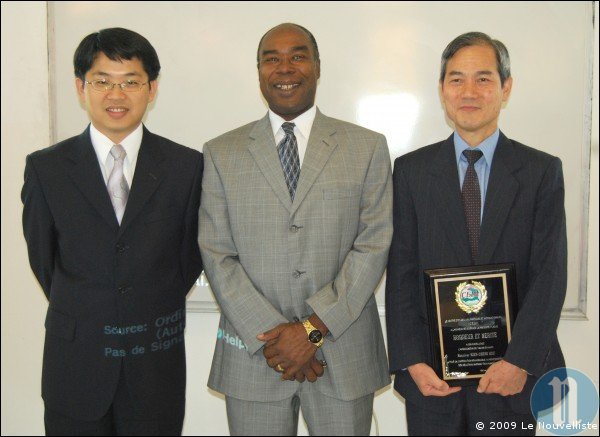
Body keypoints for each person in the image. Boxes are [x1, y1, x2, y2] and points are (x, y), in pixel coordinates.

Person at [199, 23, 392, 436]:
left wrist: (311, 330)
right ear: (259, 71)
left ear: (318, 67)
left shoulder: (367, 147)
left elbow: (374, 244)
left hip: (342, 353)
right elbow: (216, 253)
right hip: (256, 354)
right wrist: (276, 337)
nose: (285, 68)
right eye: (272, 58)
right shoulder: (221, 152)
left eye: (298, 56)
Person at [21, 27, 203, 435]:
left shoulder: (185, 167)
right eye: (102, 81)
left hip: (154, 365)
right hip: (76, 364)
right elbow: (45, 259)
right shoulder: (46, 169)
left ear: (152, 88)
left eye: (131, 82)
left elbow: (188, 260)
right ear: (80, 87)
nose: (115, 95)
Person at [386, 32, 567, 435]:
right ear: (441, 89)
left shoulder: (540, 171)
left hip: (511, 381)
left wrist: (519, 362)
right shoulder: (411, 171)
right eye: (456, 79)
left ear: (506, 88)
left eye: (483, 79)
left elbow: (550, 276)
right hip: (433, 380)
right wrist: (412, 360)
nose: (469, 91)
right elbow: (400, 273)